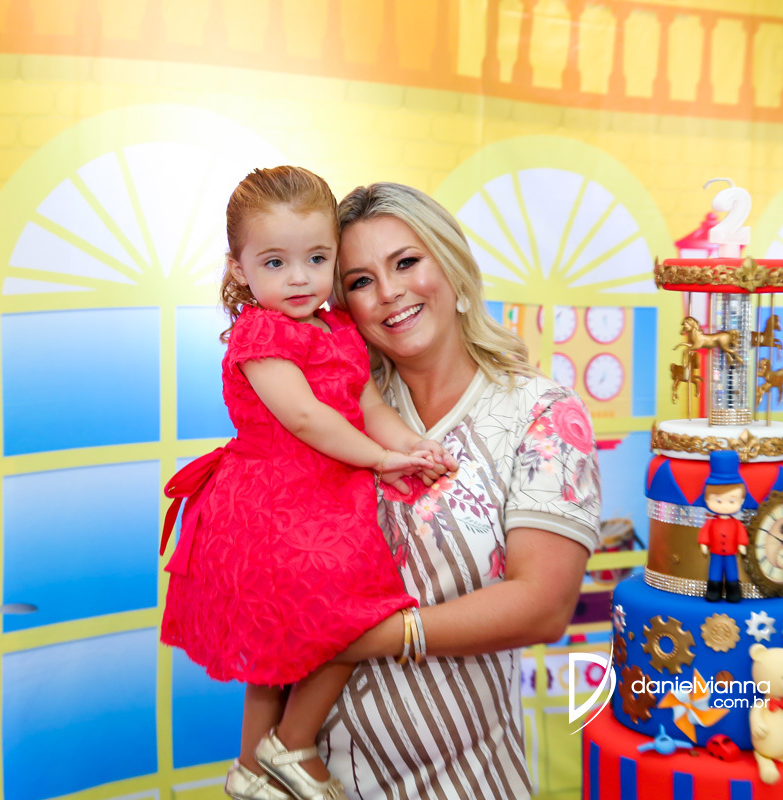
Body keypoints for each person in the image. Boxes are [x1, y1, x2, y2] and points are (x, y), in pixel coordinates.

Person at [159, 167, 456, 800]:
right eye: (275, 262)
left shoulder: (339, 328)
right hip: (273, 501)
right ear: (239, 269)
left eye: (317, 259)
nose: (299, 278)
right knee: (346, 615)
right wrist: (380, 459)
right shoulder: (261, 332)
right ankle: (289, 744)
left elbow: (368, 405)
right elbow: (304, 417)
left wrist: (409, 443)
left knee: (286, 639)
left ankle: (249, 769)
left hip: (325, 494)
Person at [320, 182, 601, 799]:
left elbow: (543, 603)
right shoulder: (328, 414)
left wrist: (369, 637)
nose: (388, 292)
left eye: (406, 262)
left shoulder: (541, 413)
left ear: (451, 265)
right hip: (318, 774)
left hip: (467, 778)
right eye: (361, 280)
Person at [698, 450, 749, 603]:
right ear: (707, 500)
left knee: (732, 572)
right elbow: (705, 533)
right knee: (714, 572)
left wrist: (741, 545)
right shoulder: (711, 522)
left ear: (742, 500)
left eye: (732, 501)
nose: (725, 505)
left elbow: (741, 534)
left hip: (731, 553)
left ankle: (733, 592)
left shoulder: (736, 524)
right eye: (718, 501)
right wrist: (704, 544)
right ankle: (713, 591)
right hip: (715, 553)